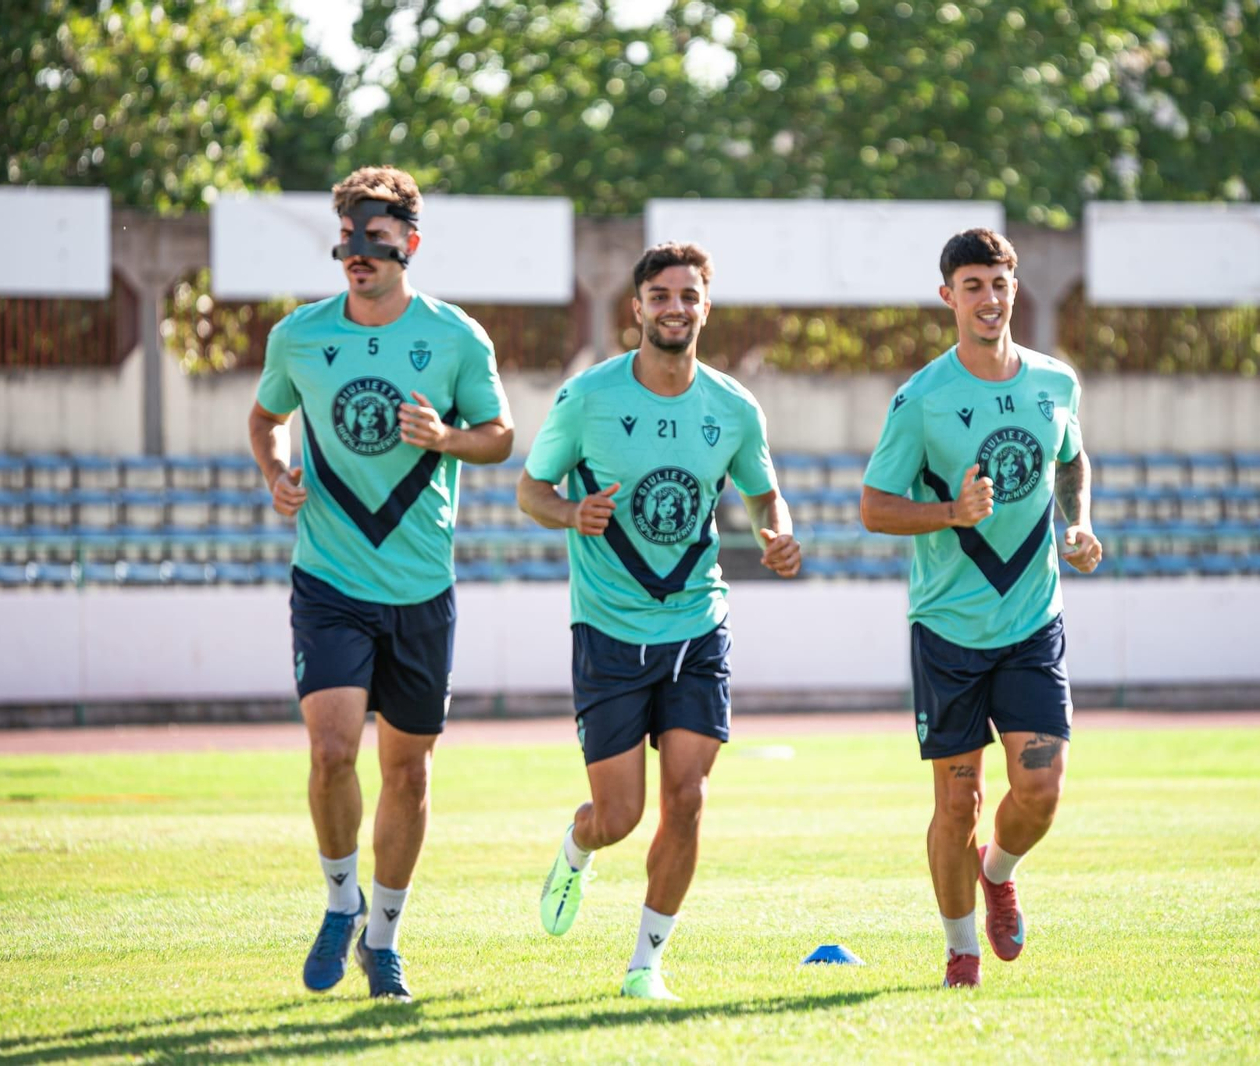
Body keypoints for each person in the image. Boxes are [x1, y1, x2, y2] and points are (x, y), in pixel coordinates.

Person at [246, 165, 514, 1002]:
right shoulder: (298, 335)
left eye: (375, 237)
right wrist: (277, 471)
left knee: (409, 774)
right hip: (327, 577)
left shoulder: (457, 337)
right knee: (331, 752)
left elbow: (501, 438)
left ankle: (384, 937)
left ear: (409, 245)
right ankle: (338, 902)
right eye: (348, 238)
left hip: (421, 586)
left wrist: (444, 436)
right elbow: (266, 417)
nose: (357, 253)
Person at [517, 241, 801, 1001]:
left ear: (706, 306)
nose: (675, 308)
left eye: (689, 295)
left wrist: (775, 529)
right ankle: (579, 849)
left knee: (687, 799)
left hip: (697, 627)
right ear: (637, 308)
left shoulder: (734, 407)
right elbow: (530, 489)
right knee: (619, 814)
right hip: (608, 630)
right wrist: (572, 512)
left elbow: (763, 493)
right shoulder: (588, 398)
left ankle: (645, 966)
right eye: (661, 296)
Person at [859, 228, 1102, 989]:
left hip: (1033, 622)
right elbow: (873, 507)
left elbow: (1072, 459)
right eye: (972, 286)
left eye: (998, 284)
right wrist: (951, 516)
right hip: (948, 632)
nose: (988, 299)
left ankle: (999, 874)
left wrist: (1080, 521)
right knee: (956, 803)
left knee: (1040, 791)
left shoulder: (1056, 382)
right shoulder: (921, 399)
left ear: (1014, 288)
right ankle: (961, 951)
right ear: (948, 298)